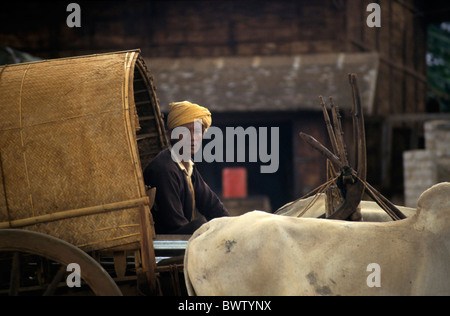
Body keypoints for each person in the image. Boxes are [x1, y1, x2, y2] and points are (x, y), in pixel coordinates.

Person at [144, 101, 229, 234]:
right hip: (165, 246)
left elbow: (213, 206)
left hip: (180, 239)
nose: (193, 138)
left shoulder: (188, 166)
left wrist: (232, 225)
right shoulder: (164, 169)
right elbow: (175, 226)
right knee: (200, 225)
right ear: (170, 135)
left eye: (197, 132)